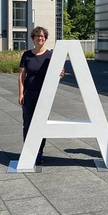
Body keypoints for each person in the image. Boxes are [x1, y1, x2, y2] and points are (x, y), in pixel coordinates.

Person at [18, 26, 64, 164]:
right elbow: (21, 75)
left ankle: (39, 152)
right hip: (29, 93)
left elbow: (58, 72)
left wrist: (60, 74)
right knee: (27, 123)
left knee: (41, 124)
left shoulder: (50, 55)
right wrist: (21, 93)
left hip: (44, 95)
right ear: (33, 38)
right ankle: (29, 150)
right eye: (37, 36)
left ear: (45, 39)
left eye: (43, 36)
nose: (40, 38)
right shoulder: (27, 55)